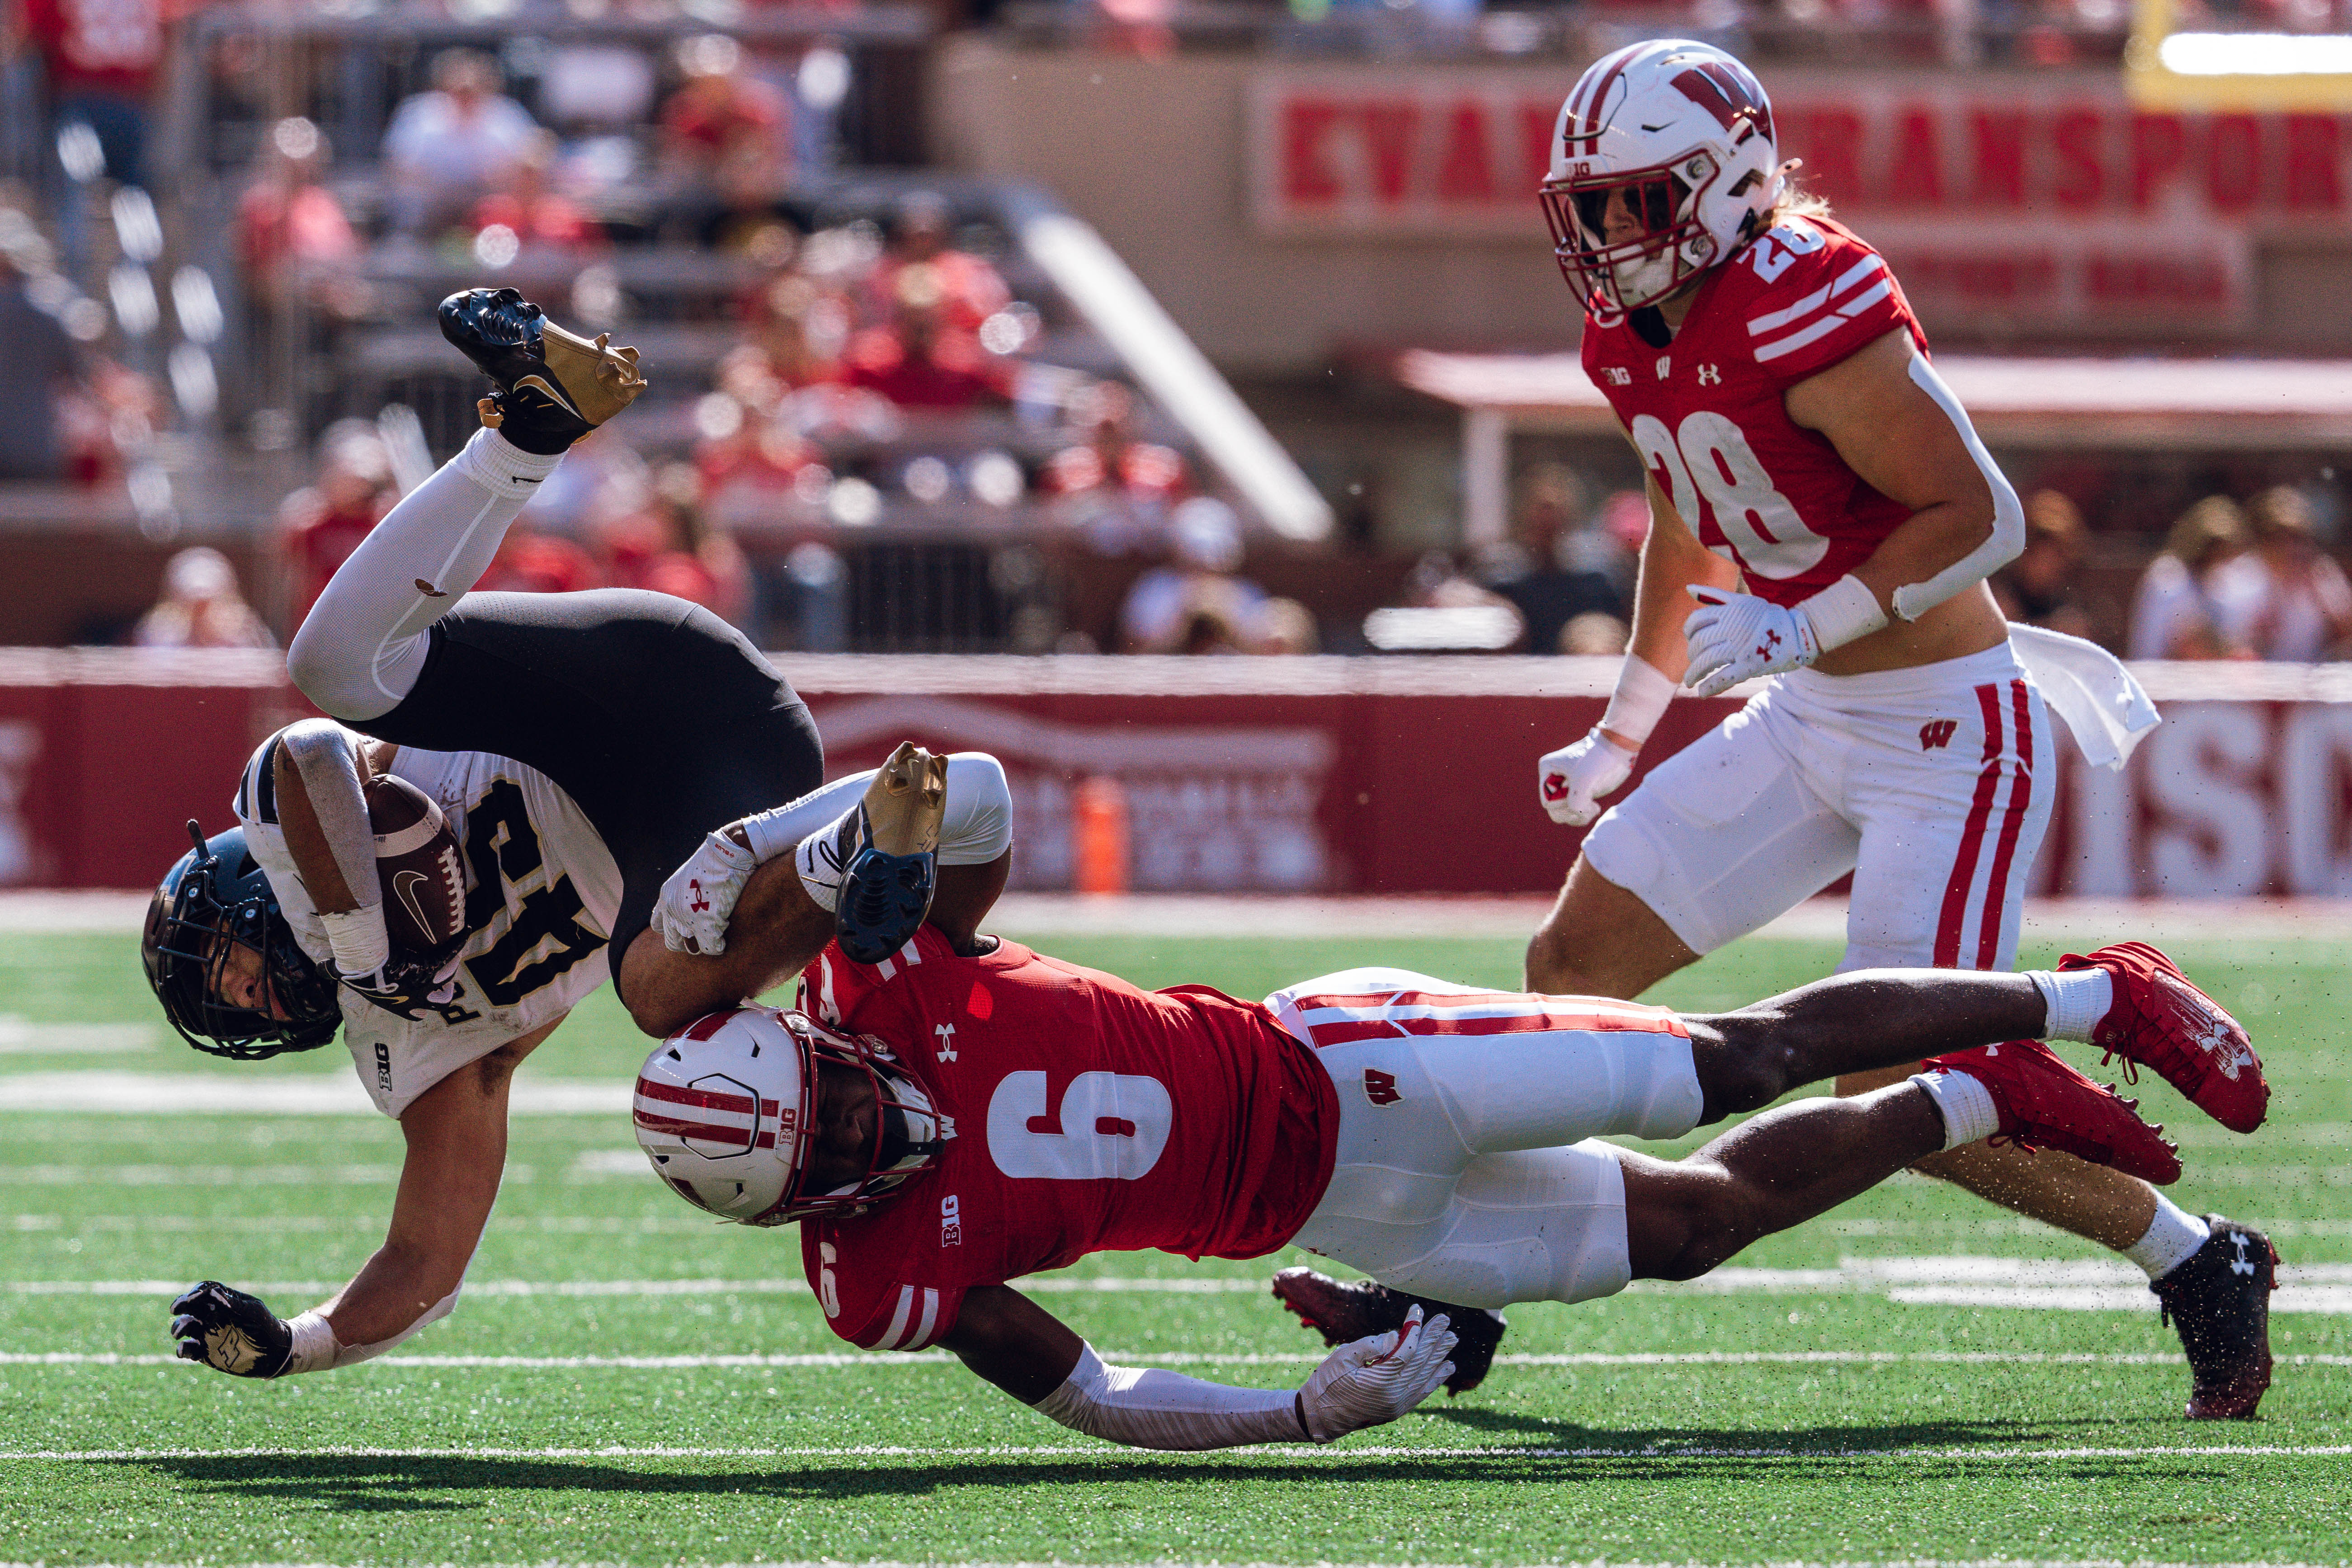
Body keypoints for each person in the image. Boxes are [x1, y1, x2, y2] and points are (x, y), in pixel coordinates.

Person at [1519, 39, 2270, 1420]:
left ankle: (2196, 1256)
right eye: (1596, 204)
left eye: (1639, 198)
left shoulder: (1810, 292)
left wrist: (1801, 623)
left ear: (1728, 177)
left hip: (1944, 729)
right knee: (1574, 956)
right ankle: (1457, 1285)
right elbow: (1687, 503)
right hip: (1805, 709)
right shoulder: (1632, 331)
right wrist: (1627, 721)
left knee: (1894, 1089)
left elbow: (1978, 514)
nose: (1610, 233)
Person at [613, 873, 2260, 1451]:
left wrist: (859, 849)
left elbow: (964, 800)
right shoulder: (883, 1275)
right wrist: (1296, 1417)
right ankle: (1977, 1094)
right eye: (830, 1154)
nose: (860, 1128)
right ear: (801, 1208)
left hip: (1361, 1063)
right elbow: (1093, 1391)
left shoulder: (895, 980)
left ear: (812, 1042)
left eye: (829, 1098)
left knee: (1735, 1064)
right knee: (1696, 1230)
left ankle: (2100, 987)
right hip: (1348, 1203)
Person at [151, 288, 1009, 1381]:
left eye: (238, 970)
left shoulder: (291, 831)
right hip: (712, 803)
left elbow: (310, 761)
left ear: (252, 891)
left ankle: (530, 430)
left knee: (333, 670)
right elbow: (429, 1255)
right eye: (246, 1010)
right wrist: (298, 1343)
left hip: (629, 694)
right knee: (657, 997)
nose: (262, 999)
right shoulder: (415, 1053)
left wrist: (369, 951)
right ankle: (837, 849)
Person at [382, 51, 541, 236]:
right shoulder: (419, 115)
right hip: (432, 204)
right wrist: (443, 187)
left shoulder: (506, 115)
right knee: (409, 203)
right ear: (443, 87)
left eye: (473, 89)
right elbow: (396, 167)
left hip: (489, 203)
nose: (466, 95)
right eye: (459, 89)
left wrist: (501, 175)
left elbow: (534, 162)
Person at [2206, 485, 2352, 663]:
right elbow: (2232, 654)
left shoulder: (2323, 574)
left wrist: (2319, 597)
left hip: (2310, 682)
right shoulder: (2235, 580)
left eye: (2298, 537)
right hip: (2257, 684)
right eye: (2280, 537)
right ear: (2261, 540)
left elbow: (2346, 638)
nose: (2292, 548)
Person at [2127, 496, 2250, 660]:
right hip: (2166, 675)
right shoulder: (2168, 577)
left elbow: (2232, 641)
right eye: (2214, 544)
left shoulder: (2226, 581)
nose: (2220, 552)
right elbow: (2149, 647)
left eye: (2225, 545)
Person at [1991, 491, 2095, 641]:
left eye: (2063, 556)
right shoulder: (1999, 595)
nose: (2058, 565)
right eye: (2053, 554)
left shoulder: (2064, 597)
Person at [132, 546, 276, 650]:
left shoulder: (246, 633)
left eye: (206, 601)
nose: (200, 608)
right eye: (191, 601)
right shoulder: (160, 634)